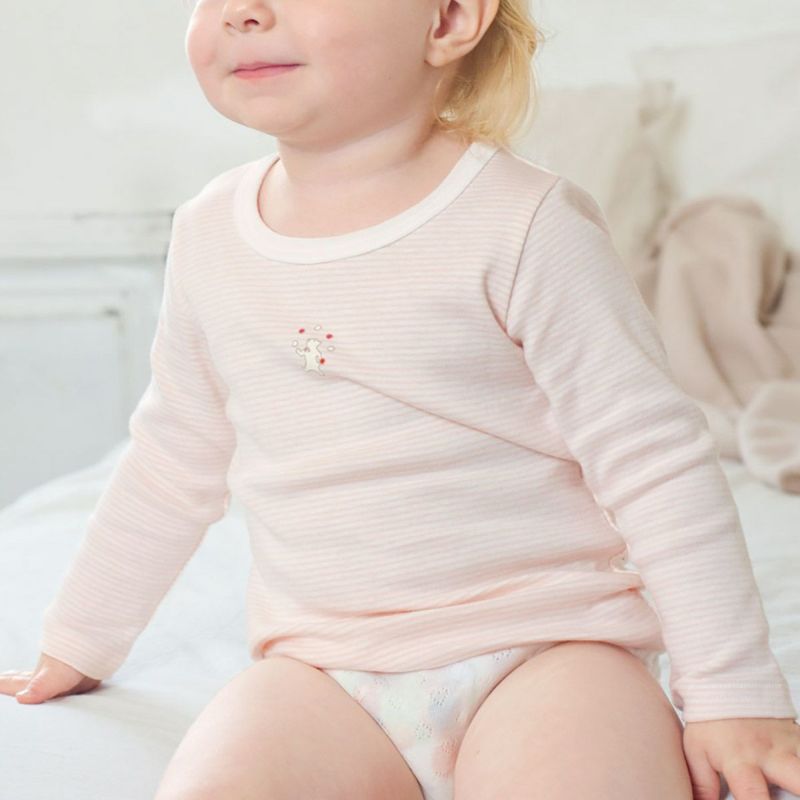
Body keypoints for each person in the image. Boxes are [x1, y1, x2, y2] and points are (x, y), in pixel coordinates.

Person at [3, 1, 800, 798]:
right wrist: (80, 639)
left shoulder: (525, 222)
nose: (244, 13)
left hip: (550, 652)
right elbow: (170, 461)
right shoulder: (208, 233)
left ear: (448, 19)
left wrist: (733, 692)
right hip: (323, 670)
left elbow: (654, 463)